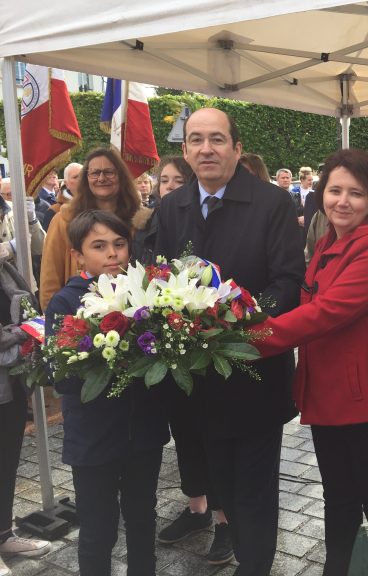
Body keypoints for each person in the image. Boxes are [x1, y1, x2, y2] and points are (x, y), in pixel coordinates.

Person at [252, 148, 368, 576]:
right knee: (339, 499)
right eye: (335, 190)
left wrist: (250, 338)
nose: (342, 201)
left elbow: (328, 312)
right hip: (332, 392)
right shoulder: (331, 239)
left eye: (356, 194)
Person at [154, 107, 304, 576]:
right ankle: (239, 544)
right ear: (185, 150)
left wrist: (234, 326)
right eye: (196, 140)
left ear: (237, 148)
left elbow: (287, 281)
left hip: (254, 372)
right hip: (198, 380)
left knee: (254, 485)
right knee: (219, 481)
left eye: (217, 139)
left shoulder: (272, 204)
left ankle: (256, 565)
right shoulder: (170, 207)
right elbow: (155, 278)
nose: (206, 149)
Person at [45, 210, 169, 576]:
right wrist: (103, 360)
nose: (112, 254)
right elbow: (62, 377)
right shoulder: (66, 303)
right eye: (98, 246)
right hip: (93, 438)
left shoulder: (146, 295)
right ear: (78, 255)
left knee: (143, 518)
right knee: (98, 528)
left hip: (143, 432)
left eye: (119, 244)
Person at [132, 155, 234, 564]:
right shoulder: (149, 225)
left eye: (178, 180)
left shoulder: (206, 220)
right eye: (164, 180)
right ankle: (198, 509)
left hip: (206, 342)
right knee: (185, 432)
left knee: (213, 436)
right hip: (167, 346)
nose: (169, 187)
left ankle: (226, 519)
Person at [39, 148, 151, 310]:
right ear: (86, 179)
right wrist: (55, 320)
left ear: (121, 176)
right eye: (95, 173)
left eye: (109, 172)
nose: (101, 178)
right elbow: (50, 278)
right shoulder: (64, 220)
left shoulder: (140, 220)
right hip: (77, 317)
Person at [0, 262, 51, 576]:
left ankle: (4, 535)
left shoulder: (4, 266)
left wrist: (26, 334)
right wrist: (22, 338)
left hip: (11, 384)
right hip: (10, 368)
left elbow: (28, 308)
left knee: (7, 463)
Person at [42, 163, 81, 231]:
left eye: (84, 176)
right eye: (75, 177)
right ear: (66, 183)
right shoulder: (54, 211)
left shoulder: (99, 204)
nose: (81, 180)